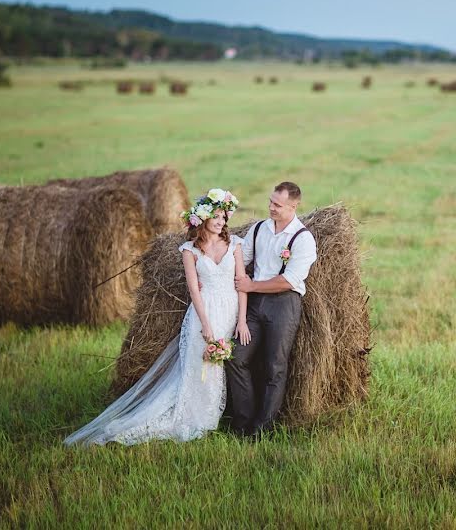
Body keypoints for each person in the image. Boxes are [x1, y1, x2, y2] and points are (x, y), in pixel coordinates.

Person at [64, 188, 250, 446]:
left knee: (223, 362)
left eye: (224, 217)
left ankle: (222, 415)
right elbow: (194, 289)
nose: (221, 222)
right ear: (204, 218)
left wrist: (241, 319)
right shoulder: (190, 250)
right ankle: (200, 418)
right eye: (216, 217)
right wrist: (205, 324)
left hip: (229, 309)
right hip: (204, 312)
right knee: (203, 364)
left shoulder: (235, 245)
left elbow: (242, 283)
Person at [226, 181, 317, 437]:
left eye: (277, 205)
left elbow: (288, 280)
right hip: (255, 305)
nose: (271, 208)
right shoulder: (259, 229)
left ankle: (262, 428)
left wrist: (251, 285)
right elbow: (240, 261)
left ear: (293, 206)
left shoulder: (303, 239)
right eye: (270, 202)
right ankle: (243, 422)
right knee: (236, 357)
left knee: (275, 366)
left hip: (284, 304)